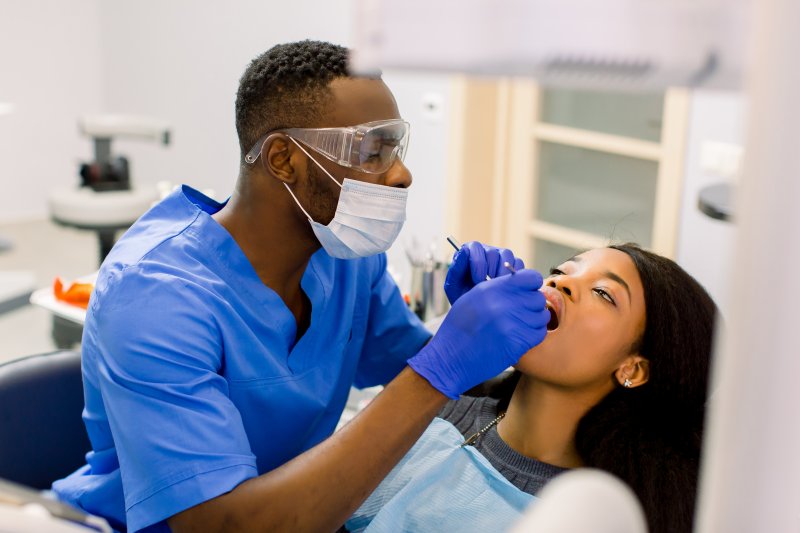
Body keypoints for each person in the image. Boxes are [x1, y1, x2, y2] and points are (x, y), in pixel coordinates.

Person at [51, 40, 551, 532]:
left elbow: (426, 379)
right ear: (284, 160)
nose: (402, 174)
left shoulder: (344, 260)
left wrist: (478, 339)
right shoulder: (155, 299)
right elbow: (221, 526)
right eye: (372, 150)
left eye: (395, 148)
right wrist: (444, 362)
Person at [346, 243, 717, 533]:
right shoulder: (435, 408)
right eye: (561, 271)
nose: (560, 282)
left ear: (633, 369)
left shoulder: (582, 515)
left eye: (603, 293)